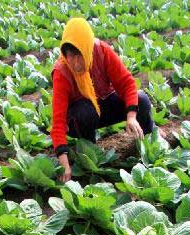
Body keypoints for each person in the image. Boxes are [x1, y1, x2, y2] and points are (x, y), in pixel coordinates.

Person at [50, 17, 154, 182]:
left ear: (87, 49)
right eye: (70, 57)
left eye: (79, 56)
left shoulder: (101, 51)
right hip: (81, 118)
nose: (75, 63)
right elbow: (58, 120)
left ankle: (150, 141)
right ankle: (90, 154)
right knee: (85, 111)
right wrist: (63, 160)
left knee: (141, 100)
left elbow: (127, 83)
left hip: (105, 102)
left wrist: (131, 116)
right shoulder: (62, 72)